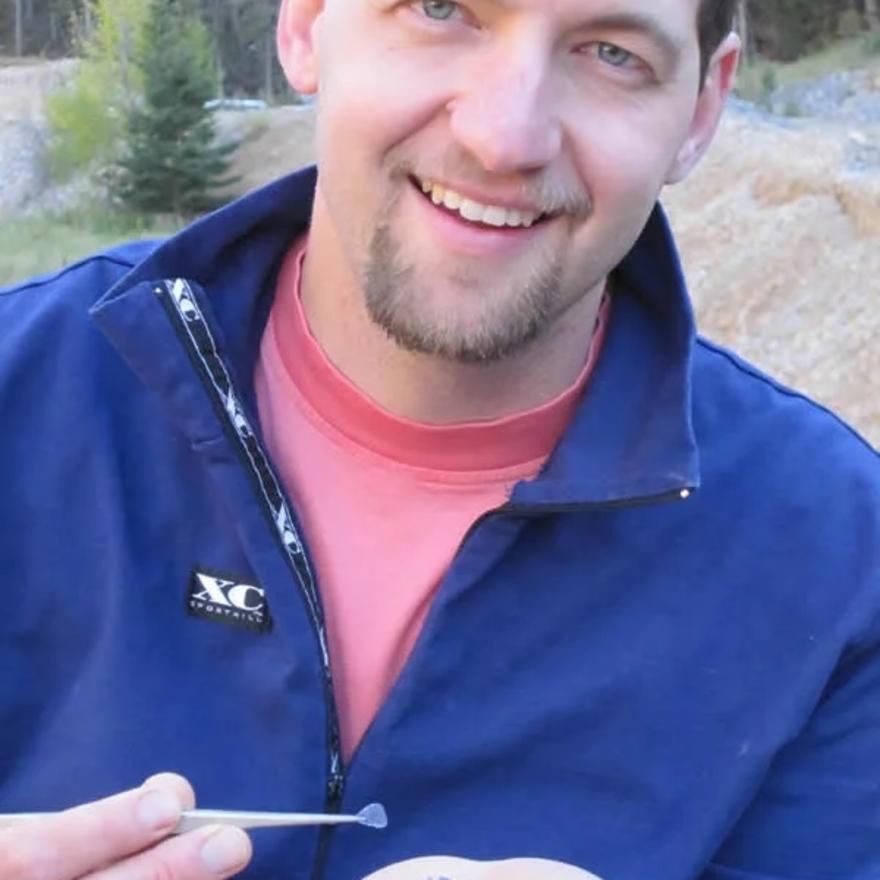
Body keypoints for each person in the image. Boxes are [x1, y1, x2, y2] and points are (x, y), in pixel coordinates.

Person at [0, 0, 877, 877]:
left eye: (611, 53)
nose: (505, 136)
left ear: (699, 114)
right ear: (306, 22)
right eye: (440, 9)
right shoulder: (24, 396)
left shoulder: (841, 572)